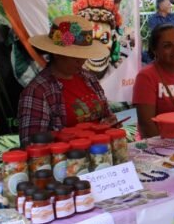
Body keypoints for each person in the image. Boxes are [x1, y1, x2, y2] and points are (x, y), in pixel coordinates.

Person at [18, 15, 116, 145]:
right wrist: (68, 137)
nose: (81, 61)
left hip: (100, 152)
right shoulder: (38, 91)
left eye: (83, 55)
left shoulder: (89, 78)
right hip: (66, 160)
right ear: (57, 53)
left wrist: (109, 123)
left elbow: (106, 114)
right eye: (74, 56)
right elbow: (31, 143)